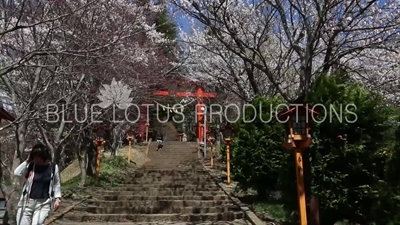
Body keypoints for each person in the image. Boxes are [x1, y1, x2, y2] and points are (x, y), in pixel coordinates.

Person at [14, 143, 62, 225]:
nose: (35, 159)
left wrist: (58, 198)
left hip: (43, 203)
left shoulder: (53, 167)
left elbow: (56, 183)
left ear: (44, 156)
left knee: (37, 223)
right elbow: (17, 173)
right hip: (27, 203)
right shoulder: (30, 165)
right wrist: (27, 160)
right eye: (34, 156)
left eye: (38, 157)